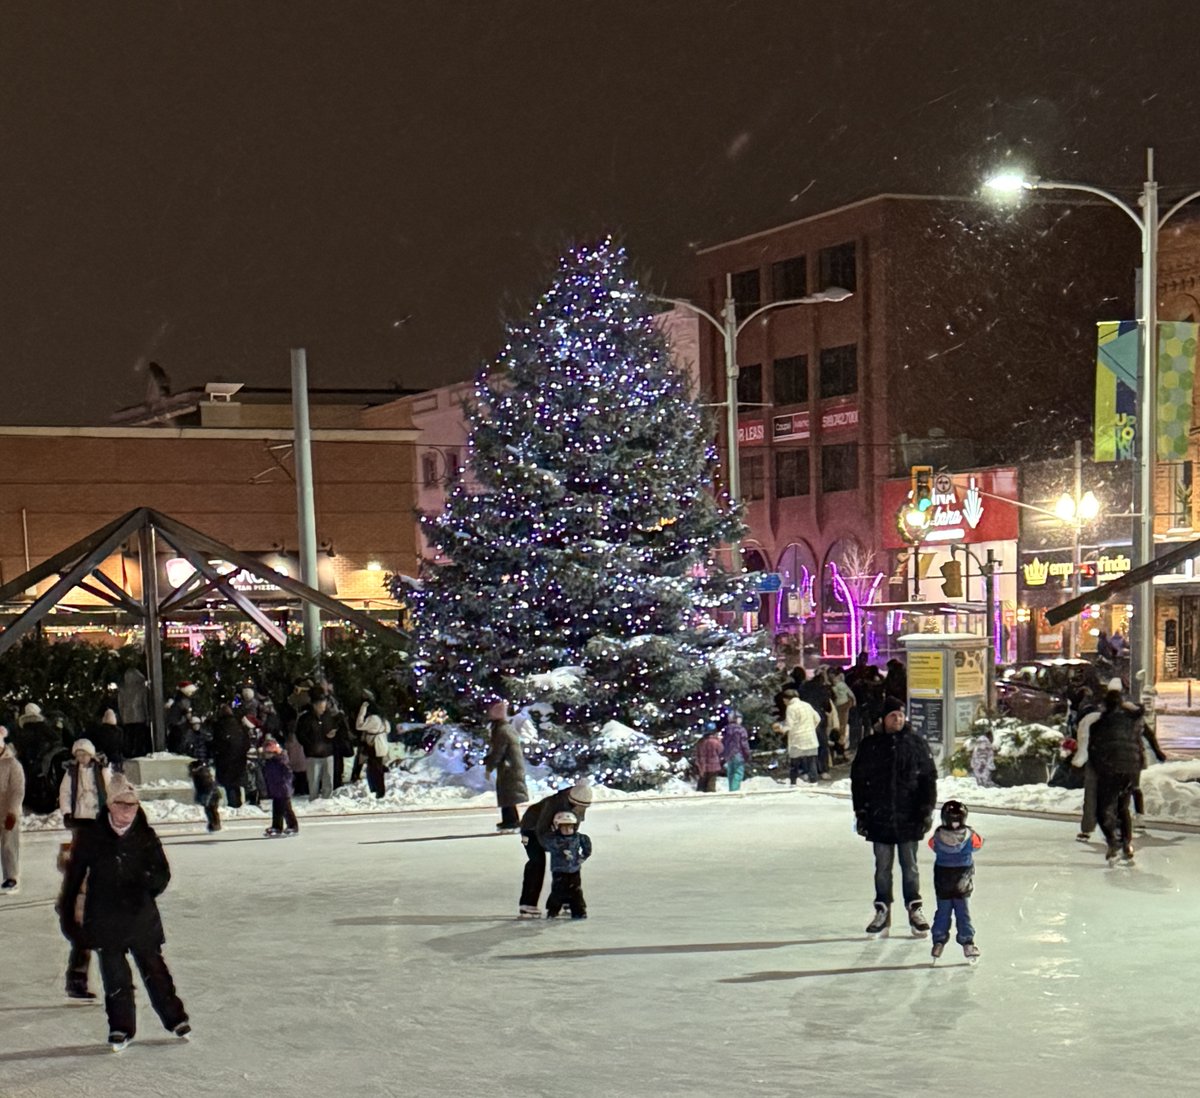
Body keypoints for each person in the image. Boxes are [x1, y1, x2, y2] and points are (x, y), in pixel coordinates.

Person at [58, 775, 190, 1051]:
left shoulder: (145, 836)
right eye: (122, 804)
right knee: (115, 977)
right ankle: (121, 1027)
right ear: (110, 804)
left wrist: (146, 881)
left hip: (140, 916)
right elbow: (74, 878)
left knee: (155, 969)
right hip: (104, 917)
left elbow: (162, 874)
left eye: (132, 805)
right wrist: (70, 915)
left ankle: (174, 1017)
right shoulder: (92, 836)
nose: (128, 810)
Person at [850, 697, 937, 936]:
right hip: (879, 817)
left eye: (900, 715)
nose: (898, 719)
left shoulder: (916, 744)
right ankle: (882, 909)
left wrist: (926, 809)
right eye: (892, 715)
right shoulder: (871, 746)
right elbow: (858, 781)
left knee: (910, 866)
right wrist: (862, 811)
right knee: (882, 867)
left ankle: (914, 908)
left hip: (909, 815)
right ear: (883, 719)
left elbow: (928, 779)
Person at [59, 737, 115, 999]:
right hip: (85, 901)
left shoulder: (101, 770)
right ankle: (78, 980)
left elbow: (111, 788)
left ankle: (111, 984)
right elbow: (65, 792)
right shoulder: (72, 773)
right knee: (85, 937)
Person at [518, 781, 593, 919]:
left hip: (550, 833)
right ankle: (528, 903)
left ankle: (567, 898)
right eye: (579, 806)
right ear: (572, 800)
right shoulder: (554, 804)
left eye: (584, 807)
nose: (581, 810)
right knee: (537, 861)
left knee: (566, 864)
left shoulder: (578, 805)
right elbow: (541, 830)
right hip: (528, 831)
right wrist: (555, 846)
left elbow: (573, 830)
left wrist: (570, 846)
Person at [1088, 681, 1144, 865]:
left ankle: (1113, 842)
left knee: (1101, 810)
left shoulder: (1098, 725)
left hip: (1110, 771)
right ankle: (1127, 844)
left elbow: (1094, 751)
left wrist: (1097, 771)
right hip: (1129, 771)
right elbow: (1138, 744)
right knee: (1123, 808)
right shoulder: (1130, 722)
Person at [928, 799, 983, 962]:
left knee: (943, 911)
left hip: (943, 878)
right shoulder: (970, 835)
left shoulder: (938, 835)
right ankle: (967, 942)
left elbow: (932, 845)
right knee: (963, 912)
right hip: (962, 879)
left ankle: (938, 940)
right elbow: (977, 845)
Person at [482, 700, 528, 828]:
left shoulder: (502, 730)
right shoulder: (504, 728)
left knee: (507, 794)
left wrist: (490, 766)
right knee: (508, 794)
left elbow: (498, 751)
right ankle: (510, 819)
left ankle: (511, 821)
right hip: (511, 766)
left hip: (509, 768)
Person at [543, 810, 592, 919]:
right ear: (558, 827)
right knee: (558, 890)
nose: (567, 829)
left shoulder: (578, 838)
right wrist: (561, 850)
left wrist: (583, 857)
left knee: (576, 890)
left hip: (574, 869)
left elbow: (587, 848)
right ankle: (553, 910)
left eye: (569, 827)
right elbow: (548, 845)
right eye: (563, 827)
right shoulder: (554, 838)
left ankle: (578, 911)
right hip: (559, 869)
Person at [1071, 687, 1103, 841]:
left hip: (1095, 762)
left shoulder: (1085, 722)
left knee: (1091, 795)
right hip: (1114, 762)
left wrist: (1076, 763)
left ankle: (1086, 830)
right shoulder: (1106, 718)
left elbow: (1083, 747)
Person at [296, 686, 338, 800]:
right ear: (315, 705)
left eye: (324, 706)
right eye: (321, 706)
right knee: (313, 781)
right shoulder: (306, 718)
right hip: (313, 754)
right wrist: (310, 745)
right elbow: (300, 735)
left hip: (328, 752)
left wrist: (332, 735)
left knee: (328, 779)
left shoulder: (327, 716)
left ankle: (327, 799)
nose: (323, 709)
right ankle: (313, 800)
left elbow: (334, 727)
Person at [777, 688, 821, 784]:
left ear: (787, 699)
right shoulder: (807, 705)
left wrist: (781, 729)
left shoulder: (791, 708)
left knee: (795, 763)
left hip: (797, 739)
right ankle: (814, 782)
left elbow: (790, 725)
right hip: (811, 737)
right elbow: (817, 718)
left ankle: (793, 783)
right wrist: (811, 728)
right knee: (812, 761)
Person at [0, 725, 24, 893]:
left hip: (7, 811)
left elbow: (17, 790)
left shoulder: (12, 764)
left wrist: (13, 812)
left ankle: (12, 877)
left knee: (9, 844)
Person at [262, 738, 299, 836]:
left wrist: (285, 784)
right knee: (277, 809)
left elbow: (288, 773)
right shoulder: (269, 762)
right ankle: (276, 826)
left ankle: (293, 826)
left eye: (269, 753)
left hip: (283, 789)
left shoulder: (281, 760)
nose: (267, 755)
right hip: (275, 789)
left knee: (286, 809)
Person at [356, 705, 391, 800]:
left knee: (374, 770)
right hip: (382, 745)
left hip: (374, 746)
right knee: (376, 769)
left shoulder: (373, 718)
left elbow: (359, 726)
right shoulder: (383, 720)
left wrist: (362, 711)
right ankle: (378, 790)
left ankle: (378, 791)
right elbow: (388, 730)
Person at [722, 712, 752, 793]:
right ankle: (735, 790)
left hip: (728, 754)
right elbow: (744, 743)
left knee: (730, 772)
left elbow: (723, 742)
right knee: (738, 772)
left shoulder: (726, 729)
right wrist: (747, 754)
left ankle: (731, 788)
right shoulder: (740, 730)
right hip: (738, 753)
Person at [694, 726, 724, 792]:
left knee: (702, 781)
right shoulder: (715, 741)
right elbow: (721, 750)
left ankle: (700, 792)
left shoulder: (701, 742)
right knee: (712, 781)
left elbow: (697, 752)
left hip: (703, 765)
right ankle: (711, 793)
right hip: (714, 765)